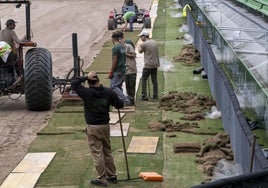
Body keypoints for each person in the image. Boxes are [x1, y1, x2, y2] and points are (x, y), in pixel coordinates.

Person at [71, 71, 124, 187]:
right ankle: (112, 175)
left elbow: (74, 83)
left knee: (97, 153)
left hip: (93, 127)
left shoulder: (86, 92)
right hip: (105, 126)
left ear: (88, 83)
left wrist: (85, 77)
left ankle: (101, 178)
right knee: (107, 151)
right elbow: (120, 105)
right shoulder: (109, 92)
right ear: (98, 81)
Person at [109, 31, 131, 105]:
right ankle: (121, 102)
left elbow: (115, 60)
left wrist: (111, 71)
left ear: (113, 39)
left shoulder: (115, 48)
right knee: (118, 86)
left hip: (117, 70)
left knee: (113, 86)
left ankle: (125, 101)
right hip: (123, 69)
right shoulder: (122, 46)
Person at [138, 30, 160, 101]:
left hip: (148, 65)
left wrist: (139, 46)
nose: (141, 38)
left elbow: (140, 51)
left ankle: (144, 95)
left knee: (144, 79)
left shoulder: (145, 44)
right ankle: (155, 95)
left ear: (145, 36)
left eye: (141, 36)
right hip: (155, 64)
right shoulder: (154, 42)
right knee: (154, 80)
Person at [124, 39, 137, 105]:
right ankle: (129, 99)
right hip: (125, 70)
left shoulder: (129, 47)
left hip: (131, 69)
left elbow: (134, 55)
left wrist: (125, 53)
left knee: (131, 85)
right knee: (127, 85)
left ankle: (131, 100)